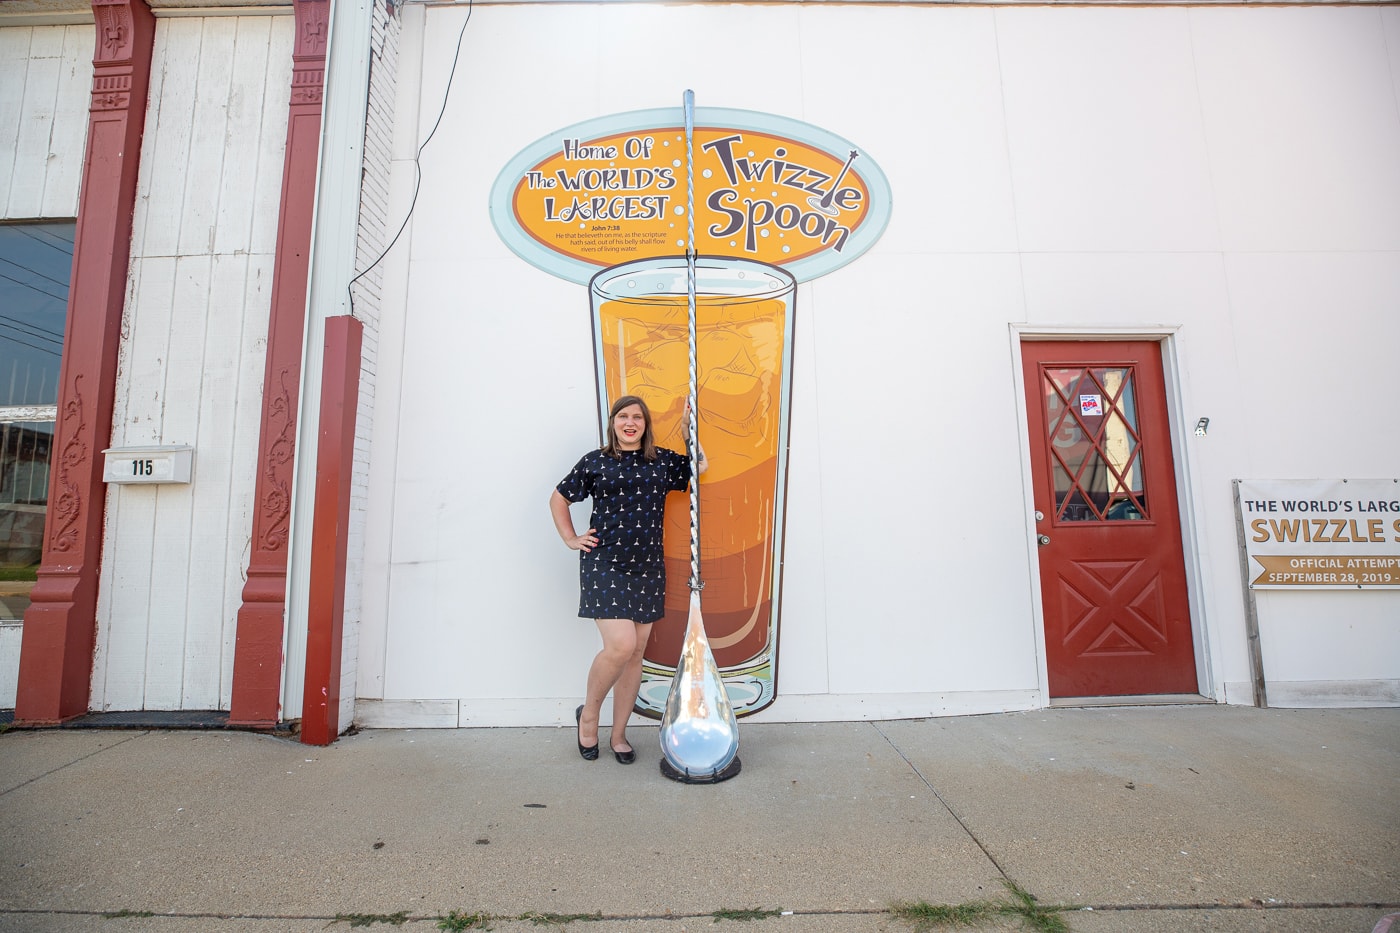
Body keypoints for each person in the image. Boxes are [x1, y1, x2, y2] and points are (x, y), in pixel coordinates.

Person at [550, 394, 706, 764]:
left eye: (638, 417)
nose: (630, 422)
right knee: (620, 646)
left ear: (645, 424)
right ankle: (589, 715)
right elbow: (559, 498)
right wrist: (571, 538)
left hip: (647, 566)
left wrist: (688, 433)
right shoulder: (596, 461)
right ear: (614, 423)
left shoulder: (661, 461)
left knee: (635, 653)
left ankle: (619, 734)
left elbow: (699, 467)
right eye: (623, 416)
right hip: (605, 563)